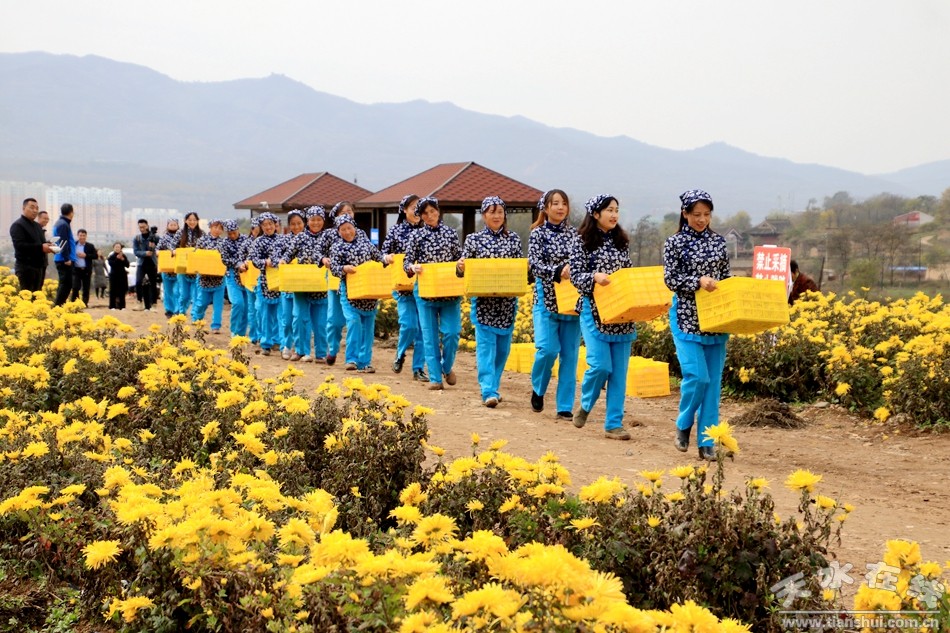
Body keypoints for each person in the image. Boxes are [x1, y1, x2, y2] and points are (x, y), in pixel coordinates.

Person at [662, 189, 730, 461]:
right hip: (687, 319)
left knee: (712, 385)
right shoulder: (674, 243)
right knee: (697, 377)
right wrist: (697, 282)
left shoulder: (719, 242)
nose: (702, 220)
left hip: (715, 320)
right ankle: (683, 423)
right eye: (697, 215)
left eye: (707, 214)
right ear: (685, 214)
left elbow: (725, 277)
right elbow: (670, 278)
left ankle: (707, 442)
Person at [569, 194, 637, 441]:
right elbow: (575, 275)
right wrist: (594, 277)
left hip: (621, 313)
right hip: (593, 310)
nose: (614, 214)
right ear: (595, 214)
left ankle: (613, 424)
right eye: (609, 209)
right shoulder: (582, 241)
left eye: (616, 209)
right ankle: (587, 404)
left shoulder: (622, 241)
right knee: (600, 365)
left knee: (619, 373)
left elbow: (627, 273)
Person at [458, 196, 523, 407]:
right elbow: (463, 269)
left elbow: (519, 269)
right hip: (484, 303)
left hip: (506, 303)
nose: (497, 216)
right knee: (486, 348)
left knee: (502, 350)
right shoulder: (473, 240)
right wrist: (460, 267)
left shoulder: (513, 239)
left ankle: (493, 386)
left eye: (500, 212)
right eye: (492, 212)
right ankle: (487, 390)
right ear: (484, 215)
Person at [528, 189, 581, 421]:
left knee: (570, 356)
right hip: (546, 302)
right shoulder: (537, 234)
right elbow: (535, 266)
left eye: (563, 203)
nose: (560, 207)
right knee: (547, 350)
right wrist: (559, 271)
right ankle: (538, 388)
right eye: (555, 203)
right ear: (546, 208)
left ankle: (564, 406)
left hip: (571, 302)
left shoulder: (577, 235)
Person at [403, 197, 462, 391]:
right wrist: (412, 267)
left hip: (449, 291)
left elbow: (459, 259)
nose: (430, 216)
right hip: (426, 292)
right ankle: (436, 378)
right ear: (420, 216)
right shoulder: (416, 236)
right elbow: (407, 263)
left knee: (452, 333)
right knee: (429, 336)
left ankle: (446, 367)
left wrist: (461, 265)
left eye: (432, 211)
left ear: (439, 211)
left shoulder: (451, 233)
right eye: (425, 213)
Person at [330, 215, 386, 372]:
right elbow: (334, 268)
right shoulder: (336, 247)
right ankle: (351, 359)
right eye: (343, 229)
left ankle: (365, 362)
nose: (347, 232)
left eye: (349, 228)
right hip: (349, 292)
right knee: (354, 322)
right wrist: (343, 268)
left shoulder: (366, 244)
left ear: (354, 227)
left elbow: (379, 257)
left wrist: (387, 259)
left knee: (368, 327)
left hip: (368, 292)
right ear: (339, 231)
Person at [381, 194, 427, 381]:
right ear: (404, 210)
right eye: (412, 207)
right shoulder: (396, 231)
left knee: (424, 329)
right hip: (403, 286)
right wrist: (388, 257)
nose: (416, 211)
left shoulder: (428, 229)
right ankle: (400, 354)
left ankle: (418, 368)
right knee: (408, 325)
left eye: (419, 207)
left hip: (425, 285)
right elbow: (382, 253)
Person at [279, 206, 328, 362]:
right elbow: (288, 254)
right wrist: (283, 261)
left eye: (319, 219)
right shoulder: (300, 237)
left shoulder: (328, 236)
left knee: (320, 322)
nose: (315, 223)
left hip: (321, 285)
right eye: (312, 219)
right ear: (308, 221)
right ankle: (301, 351)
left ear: (323, 221)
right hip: (301, 283)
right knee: (299, 317)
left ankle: (321, 353)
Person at [248, 212, 283, 355]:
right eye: (265, 225)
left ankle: (279, 341)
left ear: (275, 224)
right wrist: (265, 262)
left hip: (281, 281)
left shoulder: (283, 240)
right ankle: (266, 342)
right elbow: (254, 260)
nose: (268, 227)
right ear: (261, 226)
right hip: (264, 282)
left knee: (281, 314)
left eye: (270, 224)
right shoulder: (258, 242)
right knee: (265, 314)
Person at [277, 211, 306, 359]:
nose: (296, 227)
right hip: (288, 286)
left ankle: (299, 347)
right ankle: (286, 345)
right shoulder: (283, 241)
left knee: (299, 318)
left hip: (303, 287)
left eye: (299, 223)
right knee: (287, 319)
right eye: (293, 224)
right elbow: (277, 257)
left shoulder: (309, 239)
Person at [9, 197, 53, 294]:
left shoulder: (37, 226)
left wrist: (49, 246)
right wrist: (41, 247)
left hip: (39, 267)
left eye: (37, 208)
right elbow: (20, 246)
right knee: (26, 298)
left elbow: (42, 243)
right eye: (32, 207)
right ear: (23, 208)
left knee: (37, 297)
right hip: (25, 267)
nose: (35, 210)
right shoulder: (18, 225)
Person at [192, 219, 227, 333]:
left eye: (220, 228)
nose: (217, 230)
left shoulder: (223, 242)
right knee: (202, 302)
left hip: (219, 279)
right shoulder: (202, 240)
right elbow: (197, 256)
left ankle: (216, 326)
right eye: (215, 227)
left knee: (218, 305)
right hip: (205, 279)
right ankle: (197, 319)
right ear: (210, 227)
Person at [221, 219, 251, 338]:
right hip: (232, 274)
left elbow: (252, 254)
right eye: (229, 233)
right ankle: (234, 330)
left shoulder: (246, 240)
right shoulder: (224, 243)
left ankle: (242, 332)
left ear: (238, 229)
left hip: (246, 273)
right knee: (238, 303)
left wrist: (246, 263)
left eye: (234, 232)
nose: (232, 235)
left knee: (247, 306)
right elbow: (225, 259)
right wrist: (238, 264)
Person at [177, 212, 203, 315]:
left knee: (197, 294)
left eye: (194, 220)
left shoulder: (202, 233)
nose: (192, 222)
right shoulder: (180, 233)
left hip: (197, 268)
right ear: (185, 221)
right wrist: (174, 251)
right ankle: (181, 312)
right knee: (184, 295)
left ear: (197, 221)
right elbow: (171, 246)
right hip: (183, 267)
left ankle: (195, 315)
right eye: (190, 220)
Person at [52, 203, 79, 306]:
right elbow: (63, 241)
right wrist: (67, 258)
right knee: (66, 285)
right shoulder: (63, 224)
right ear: (71, 212)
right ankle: (58, 307)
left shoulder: (60, 223)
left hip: (62, 258)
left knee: (64, 285)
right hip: (64, 260)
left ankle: (59, 306)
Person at [132, 219, 160, 311]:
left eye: (143, 227)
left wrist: (153, 247)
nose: (142, 229)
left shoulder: (155, 237)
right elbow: (136, 252)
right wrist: (145, 253)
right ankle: (139, 302)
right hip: (142, 263)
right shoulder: (137, 238)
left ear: (147, 226)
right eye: (140, 227)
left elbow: (159, 247)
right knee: (138, 282)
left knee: (153, 283)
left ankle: (154, 304)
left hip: (152, 263)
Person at [157, 219, 182, 316]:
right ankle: (169, 310)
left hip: (178, 268)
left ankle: (177, 309)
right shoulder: (163, 238)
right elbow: (157, 250)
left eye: (174, 224)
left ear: (178, 226)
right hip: (166, 268)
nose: (173, 226)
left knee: (177, 291)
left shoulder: (181, 237)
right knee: (168, 291)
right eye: (171, 224)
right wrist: (159, 253)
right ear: (167, 226)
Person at [69, 229, 97, 305]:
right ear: (78, 236)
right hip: (76, 270)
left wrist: (86, 255)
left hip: (86, 270)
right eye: (80, 235)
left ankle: (84, 303)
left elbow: (95, 255)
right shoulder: (73, 245)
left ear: (86, 236)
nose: (82, 237)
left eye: (83, 235)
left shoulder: (90, 246)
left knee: (86, 288)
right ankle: (74, 303)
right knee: (75, 287)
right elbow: (68, 254)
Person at [106, 242, 130, 310]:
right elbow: (112, 264)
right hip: (113, 275)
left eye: (118, 247)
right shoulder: (111, 256)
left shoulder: (123, 256)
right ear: (113, 248)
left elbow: (127, 265)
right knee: (113, 291)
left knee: (122, 291)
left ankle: (122, 306)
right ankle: (112, 306)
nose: (117, 248)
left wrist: (123, 259)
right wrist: (117, 258)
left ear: (120, 248)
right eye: (116, 247)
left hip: (122, 275)